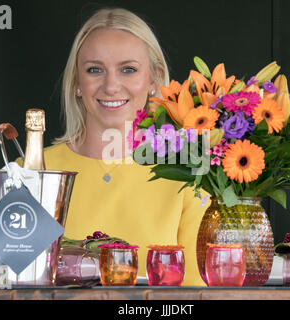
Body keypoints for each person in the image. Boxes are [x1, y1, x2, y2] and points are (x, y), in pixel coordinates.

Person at [43, 7, 208, 286]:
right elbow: (4, 282)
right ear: (76, 84)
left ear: (154, 79)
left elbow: (198, 291)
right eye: (95, 70)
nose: (110, 86)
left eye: (128, 69)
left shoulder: (189, 171)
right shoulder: (33, 170)